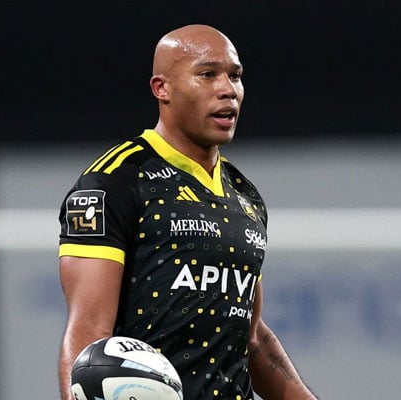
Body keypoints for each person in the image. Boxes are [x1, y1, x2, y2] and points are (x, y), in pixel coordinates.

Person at [57, 24, 317, 400]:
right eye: (207, 74)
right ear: (162, 88)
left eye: (235, 76)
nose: (228, 89)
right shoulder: (114, 183)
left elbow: (252, 336)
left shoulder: (245, 195)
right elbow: (87, 335)